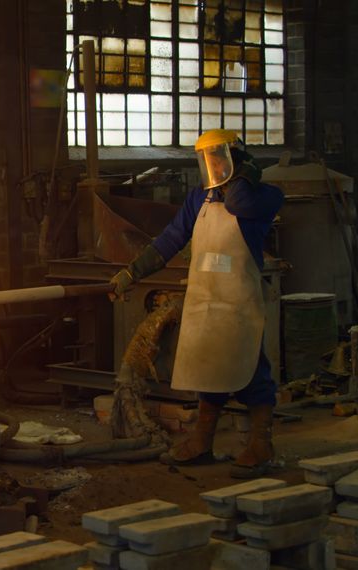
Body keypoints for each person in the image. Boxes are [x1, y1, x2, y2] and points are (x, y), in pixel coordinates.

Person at [109, 129, 284, 479]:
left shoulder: (265, 196)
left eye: (219, 157)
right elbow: (171, 238)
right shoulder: (198, 200)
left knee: (250, 370)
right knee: (209, 370)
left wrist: (244, 176)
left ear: (237, 157)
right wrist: (132, 272)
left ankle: (261, 444)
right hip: (206, 298)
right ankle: (203, 440)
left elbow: (239, 205)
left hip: (238, 301)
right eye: (206, 159)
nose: (213, 166)